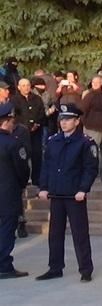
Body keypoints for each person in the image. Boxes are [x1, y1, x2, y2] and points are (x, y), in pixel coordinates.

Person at [35, 103, 98, 282]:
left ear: (77, 121)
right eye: (62, 119)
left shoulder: (85, 142)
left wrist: (83, 189)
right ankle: (55, 267)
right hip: (56, 193)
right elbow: (46, 166)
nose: (64, 123)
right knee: (55, 233)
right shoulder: (54, 140)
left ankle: (85, 269)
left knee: (80, 234)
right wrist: (44, 187)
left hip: (74, 195)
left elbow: (90, 168)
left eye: (68, 119)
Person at [0, 102, 30, 279]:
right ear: (6, 122)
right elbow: (23, 170)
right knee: (7, 228)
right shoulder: (13, 144)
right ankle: (4, 264)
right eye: (12, 122)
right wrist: (22, 184)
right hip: (8, 192)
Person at [11, 78, 45, 186]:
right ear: (19, 87)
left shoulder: (37, 99)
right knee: (23, 155)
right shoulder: (14, 100)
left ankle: (37, 179)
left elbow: (41, 113)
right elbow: (14, 116)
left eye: (28, 85)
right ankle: (23, 180)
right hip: (21, 133)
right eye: (24, 85)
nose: (26, 87)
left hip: (36, 131)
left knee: (37, 155)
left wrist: (37, 123)